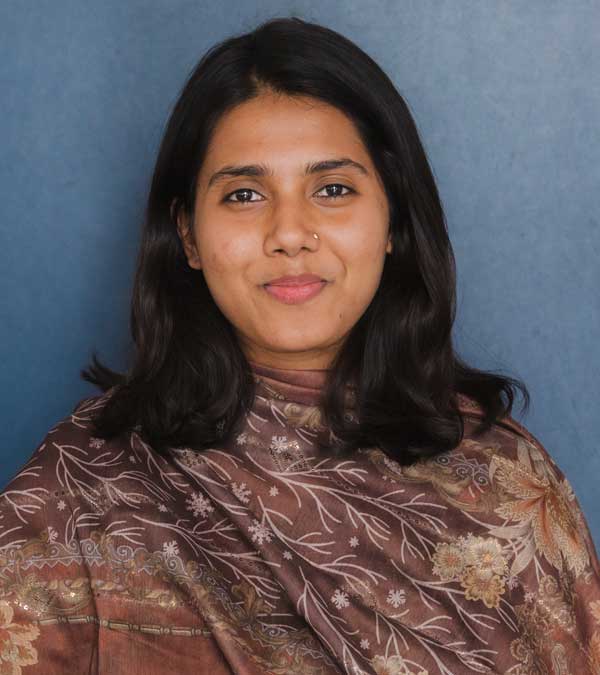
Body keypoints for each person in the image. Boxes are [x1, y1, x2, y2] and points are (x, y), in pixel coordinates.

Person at [1, 16, 599, 675]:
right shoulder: (80, 492)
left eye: (333, 189)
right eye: (244, 194)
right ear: (189, 235)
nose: (290, 233)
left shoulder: (509, 482)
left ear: (394, 219)